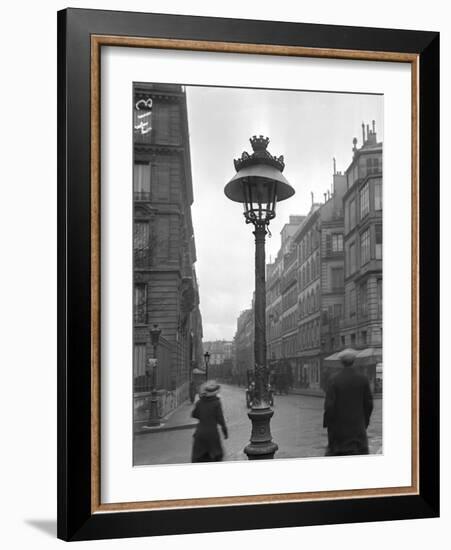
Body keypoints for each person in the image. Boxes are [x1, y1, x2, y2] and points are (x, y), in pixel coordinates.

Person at [323, 349, 374, 456]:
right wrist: (365, 422)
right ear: (354, 361)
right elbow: (369, 404)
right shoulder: (363, 379)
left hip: (339, 432)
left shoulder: (334, 379)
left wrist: (328, 424)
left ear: (341, 362)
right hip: (358, 431)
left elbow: (329, 406)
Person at [191, 380, 228, 462]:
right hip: (212, 435)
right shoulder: (216, 403)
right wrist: (225, 431)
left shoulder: (199, 402)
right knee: (216, 457)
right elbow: (220, 419)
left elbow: (194, 414)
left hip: (199, 435)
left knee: (198, 460)